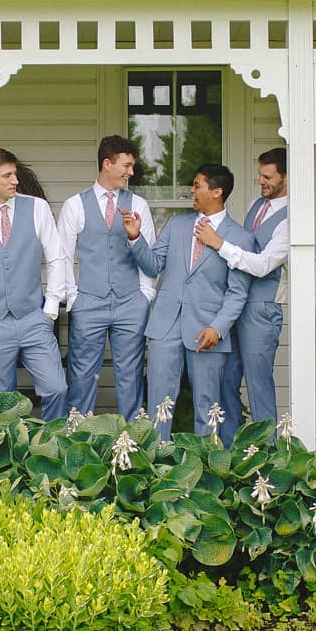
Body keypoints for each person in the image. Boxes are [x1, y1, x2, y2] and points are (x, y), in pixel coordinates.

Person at [125, 164, 252, 442]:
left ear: (217, 192)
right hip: (164, 325)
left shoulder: (241, 238)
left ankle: (205, 465)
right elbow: (153, 264)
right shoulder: (177, 224)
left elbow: (237, 293)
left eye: (197, 185)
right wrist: (135, 237)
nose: (191, 191)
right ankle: (156, 463)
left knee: (208, 405)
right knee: (160, 402)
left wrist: (217, 329)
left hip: (207, 330)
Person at [0, 147, 69, 420]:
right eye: (7, 175)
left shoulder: (37, 208)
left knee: (56, 388)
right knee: (2, 403)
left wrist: (50, 309)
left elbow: (57, 258)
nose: (15, 181)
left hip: (33, 318)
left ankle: (52, 444)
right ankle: (9, 456)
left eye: (15, 174)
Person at [58, 135, 156, 418]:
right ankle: (78, 440)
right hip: (89, 301)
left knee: (131, 376)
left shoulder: (139, 205)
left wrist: (145, 296)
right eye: (126, 166)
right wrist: (74, 298)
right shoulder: (75, 205)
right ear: (107, 164)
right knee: (82, 375)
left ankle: (131, 442)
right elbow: (63, 257)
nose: (131, 172)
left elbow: (149, 256)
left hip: (130, 303)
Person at [195, 147, 289, 445]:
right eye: (260, 175)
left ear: (286, 178)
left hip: (260, 307)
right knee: (226, 380)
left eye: (268, 177)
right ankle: (231, 448)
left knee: (258, 383)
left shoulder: (292, 218)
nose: (261, 181)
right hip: (233, 304)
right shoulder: (255, 206)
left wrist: (219, 243)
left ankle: (268, 453)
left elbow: (262, 265)